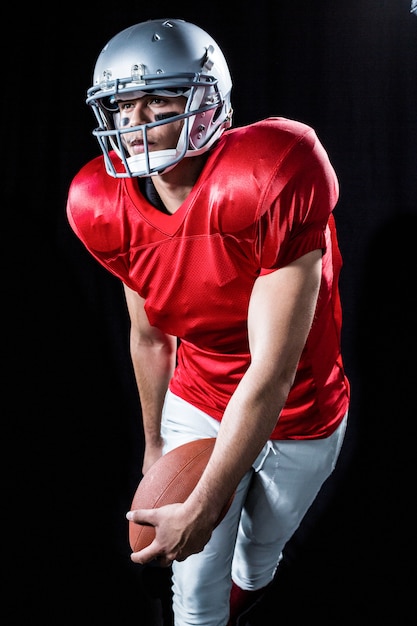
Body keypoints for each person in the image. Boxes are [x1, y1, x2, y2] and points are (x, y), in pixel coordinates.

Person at [66, 17, 350, 626]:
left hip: (299, 407)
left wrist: (209, 502)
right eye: (123, 106)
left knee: (256, 559)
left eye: (159, 99)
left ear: (206, 102)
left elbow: (272, 373)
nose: (136, 123)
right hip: (198, 398)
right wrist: (154, 446)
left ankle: (251, 590)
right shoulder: (102, 203)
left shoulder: (275, 169)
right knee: (193, 599)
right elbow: (149, 336)